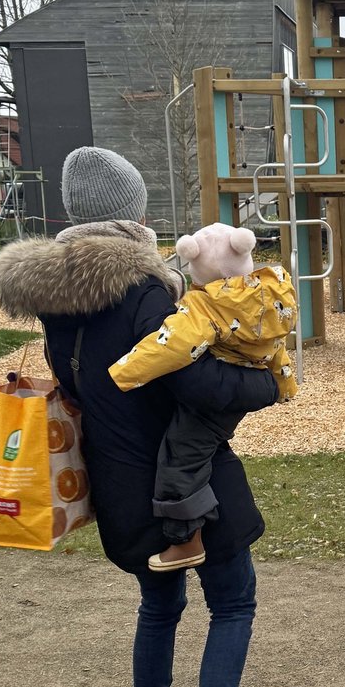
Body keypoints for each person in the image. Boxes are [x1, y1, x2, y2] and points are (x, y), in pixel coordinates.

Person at [0, 146, 279, 687]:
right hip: (187, 485)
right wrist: (264, 383)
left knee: (160, 604)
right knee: (233, 601)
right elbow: (194, 384)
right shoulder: (145, 292)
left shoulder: (58, 303)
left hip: (117, 489)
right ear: (132, 214)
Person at [109, 222, 297, 573]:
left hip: (216, 398)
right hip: (253, 379)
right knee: (200, 448)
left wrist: (122, 373)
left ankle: (185, 540)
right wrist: (283, 384)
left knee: (181, 457)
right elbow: (276, 346)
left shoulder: (206, 306)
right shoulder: (269, 290)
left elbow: (170, 347)